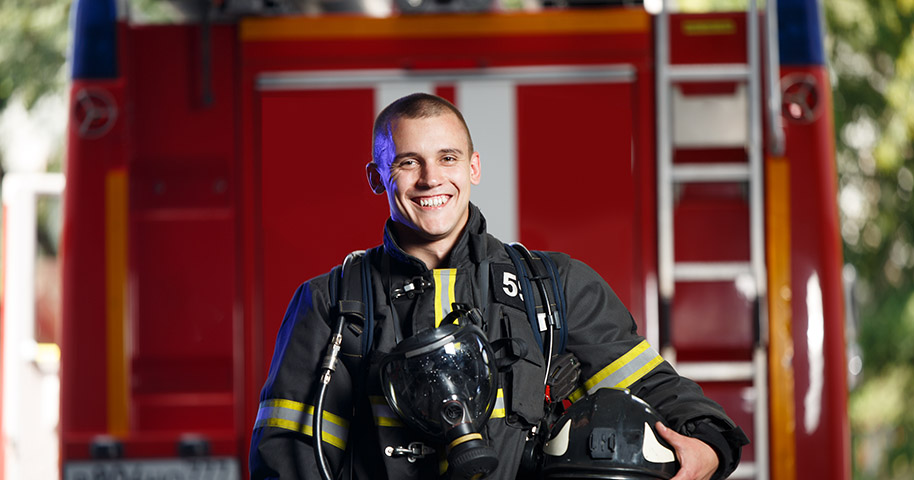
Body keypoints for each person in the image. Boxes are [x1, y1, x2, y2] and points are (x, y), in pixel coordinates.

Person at [250, 93, 748, 480]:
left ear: (474, 168)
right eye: (408, 161)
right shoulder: (330, 304)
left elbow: (656, 389)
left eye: (447, 158)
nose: (430, 179)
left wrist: (709, 442)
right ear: (377, 177)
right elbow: (287, 457)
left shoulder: (554, 288)